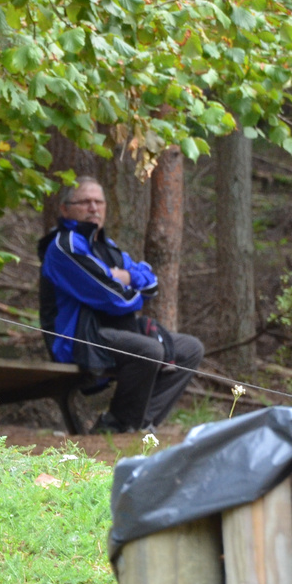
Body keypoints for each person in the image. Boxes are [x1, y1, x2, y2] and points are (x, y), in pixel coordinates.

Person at [38, 177, 205, 432]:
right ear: (65, 209)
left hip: (114, 331)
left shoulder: (108, 246)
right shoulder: (64, 246)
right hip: (78, 338)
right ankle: (118, 425)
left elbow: (151, 284)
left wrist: (124, 277)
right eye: (84, 202)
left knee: (189, 349)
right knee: (149, 350)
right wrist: (123, 283)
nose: (93, 208)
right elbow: (116, 299)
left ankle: (138, 424)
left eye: (98, 202)